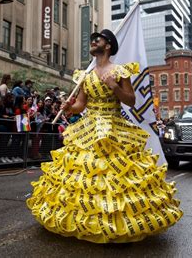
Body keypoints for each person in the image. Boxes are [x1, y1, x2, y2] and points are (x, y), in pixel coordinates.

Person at [27, 29, 182, 243]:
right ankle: (84, 219)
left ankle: (116, 222)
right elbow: (82, 104)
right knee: (83, 174)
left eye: (96, 40)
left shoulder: (120, 71)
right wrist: (70, 107)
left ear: (107, 45)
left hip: (114, 126)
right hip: (89, 127)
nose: (92, 42)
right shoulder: (85, 75)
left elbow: (130, 100)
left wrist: (114, 87)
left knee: (116, 176)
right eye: (91, 40)